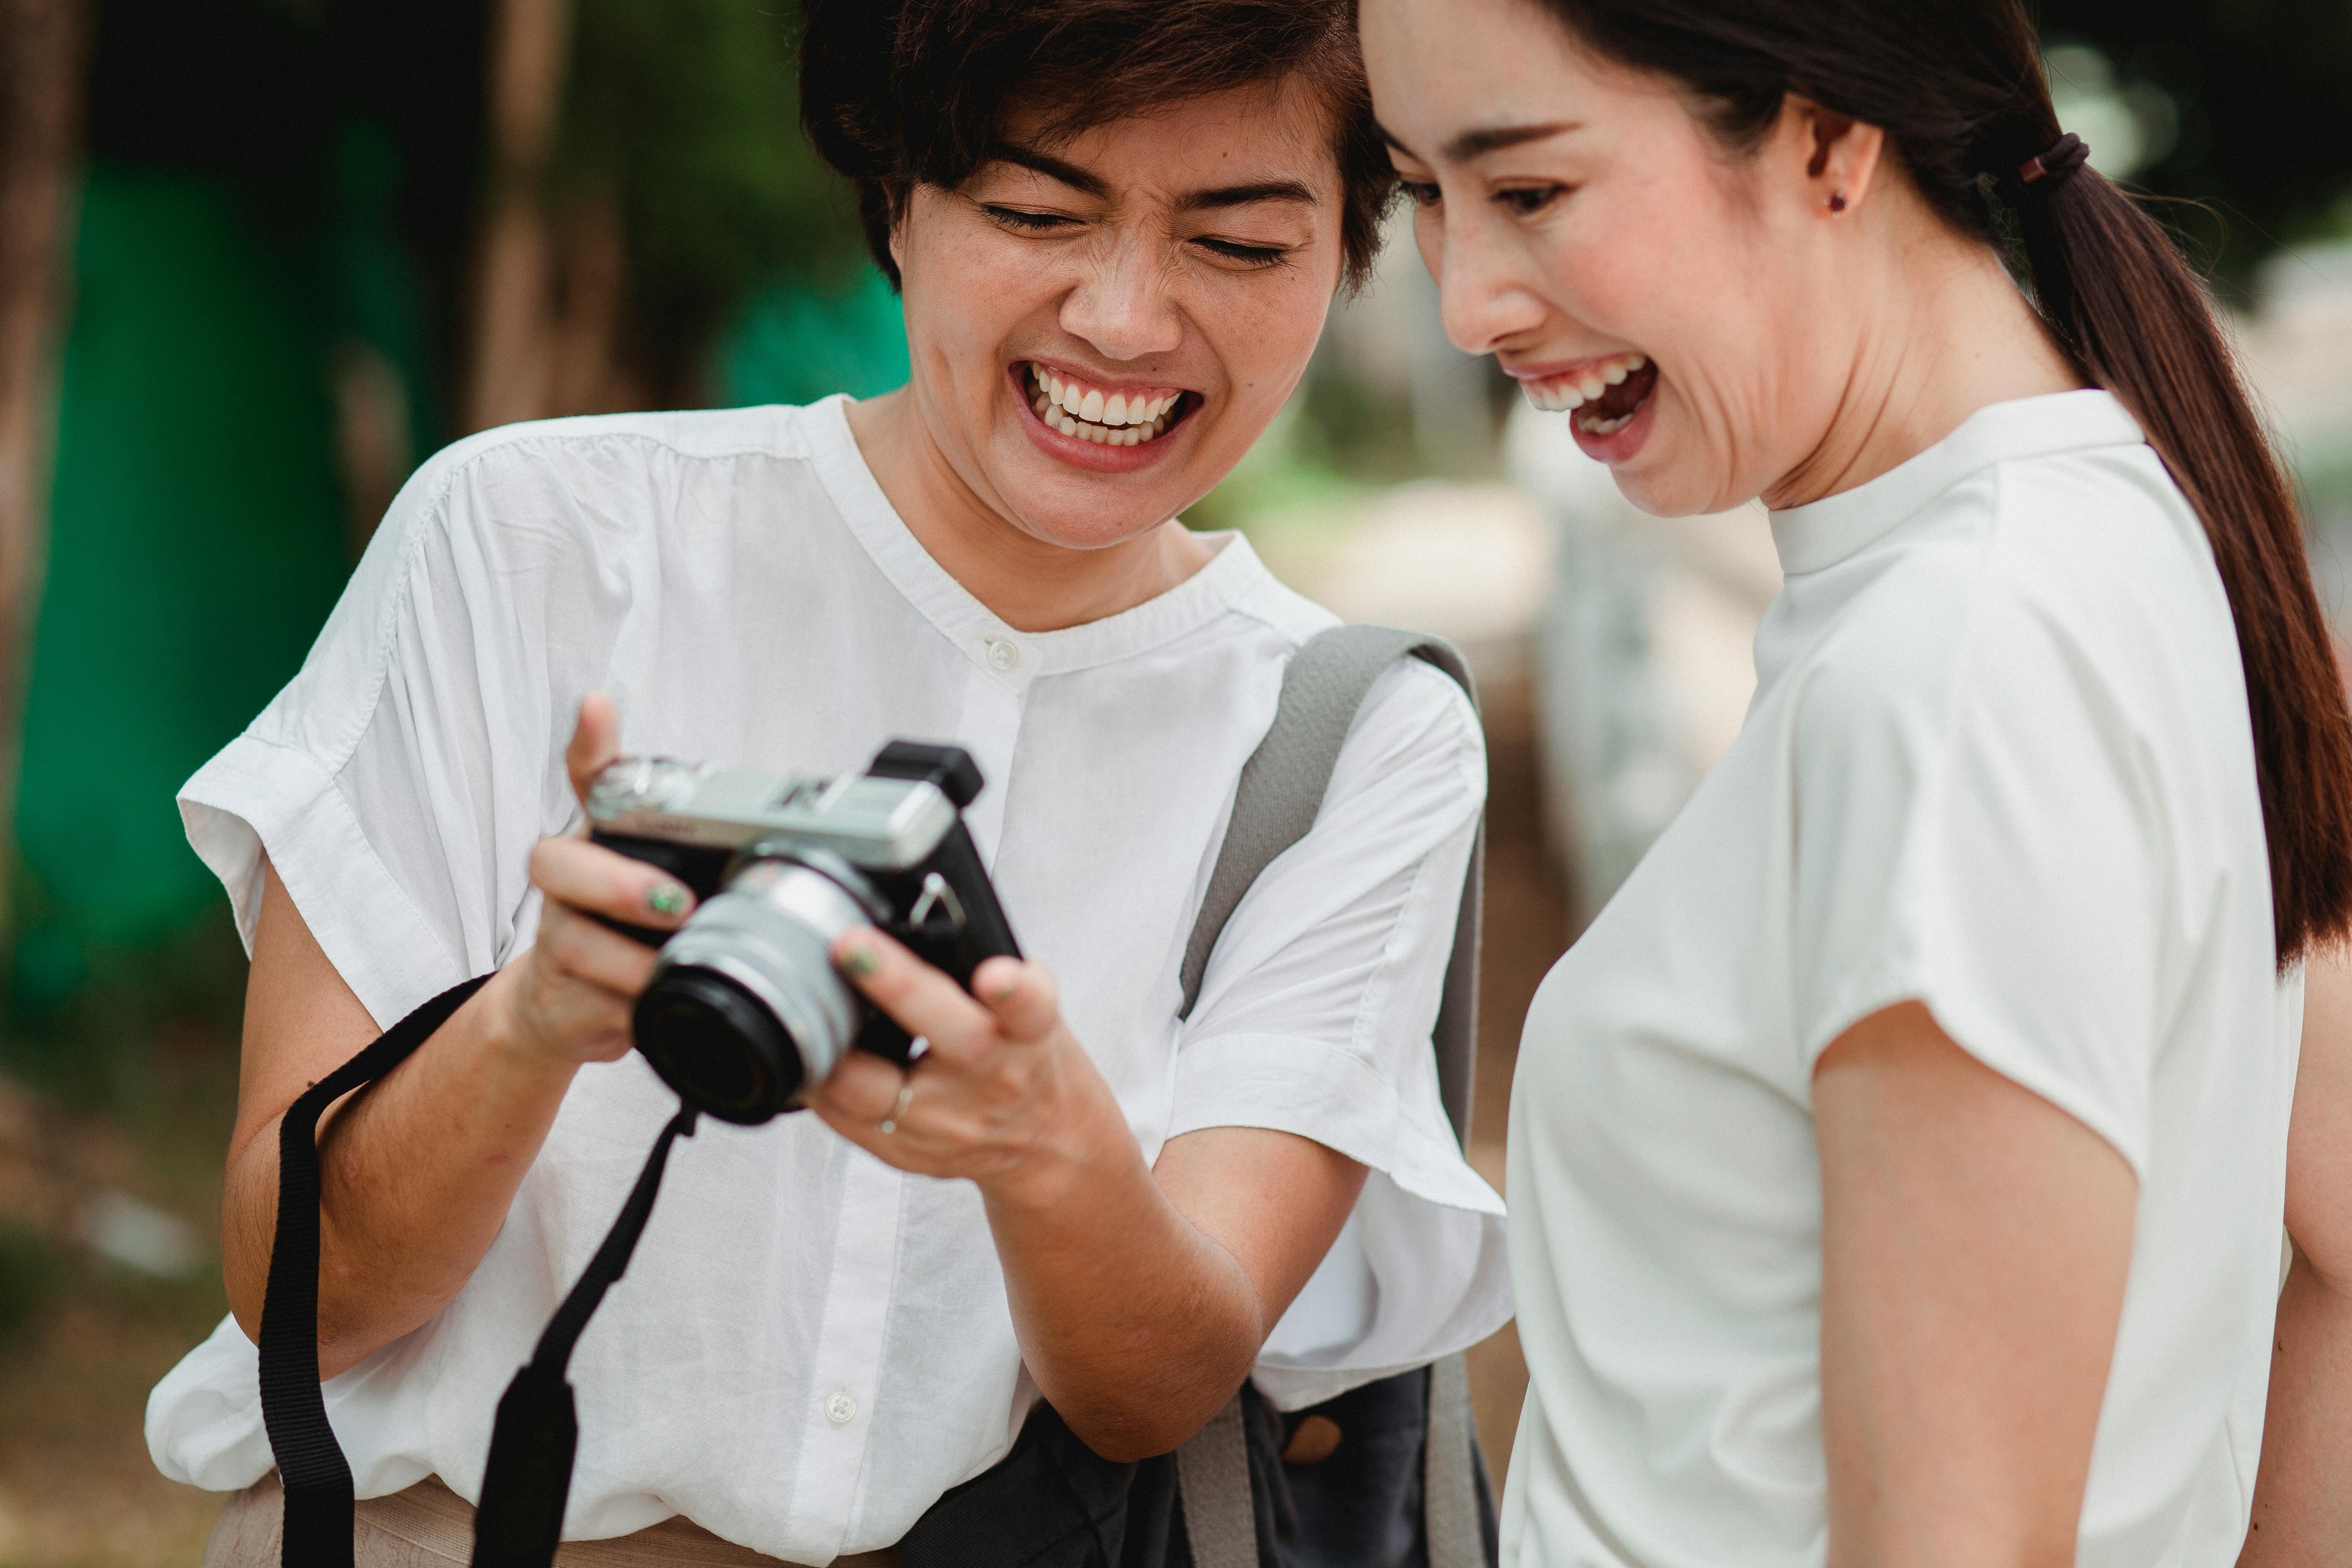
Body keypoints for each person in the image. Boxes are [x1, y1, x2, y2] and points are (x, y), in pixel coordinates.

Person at [147, 2, 1512, 1562]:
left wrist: (1041, 1141)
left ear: (1349, 251)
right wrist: (531, 1023)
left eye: (1243, 244)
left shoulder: (1352, 741)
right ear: (900, 200)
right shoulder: (531, 544)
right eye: (1032, 212)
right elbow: (295, 1300)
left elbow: (1157, 1388)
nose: (1127, 320)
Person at [1358, 0, 2352, 1564]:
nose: (1467, 302)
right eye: (1420, 191)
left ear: (1826, 138)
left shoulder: (1958, 669)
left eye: (1532, 189)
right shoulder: (2104, 532)